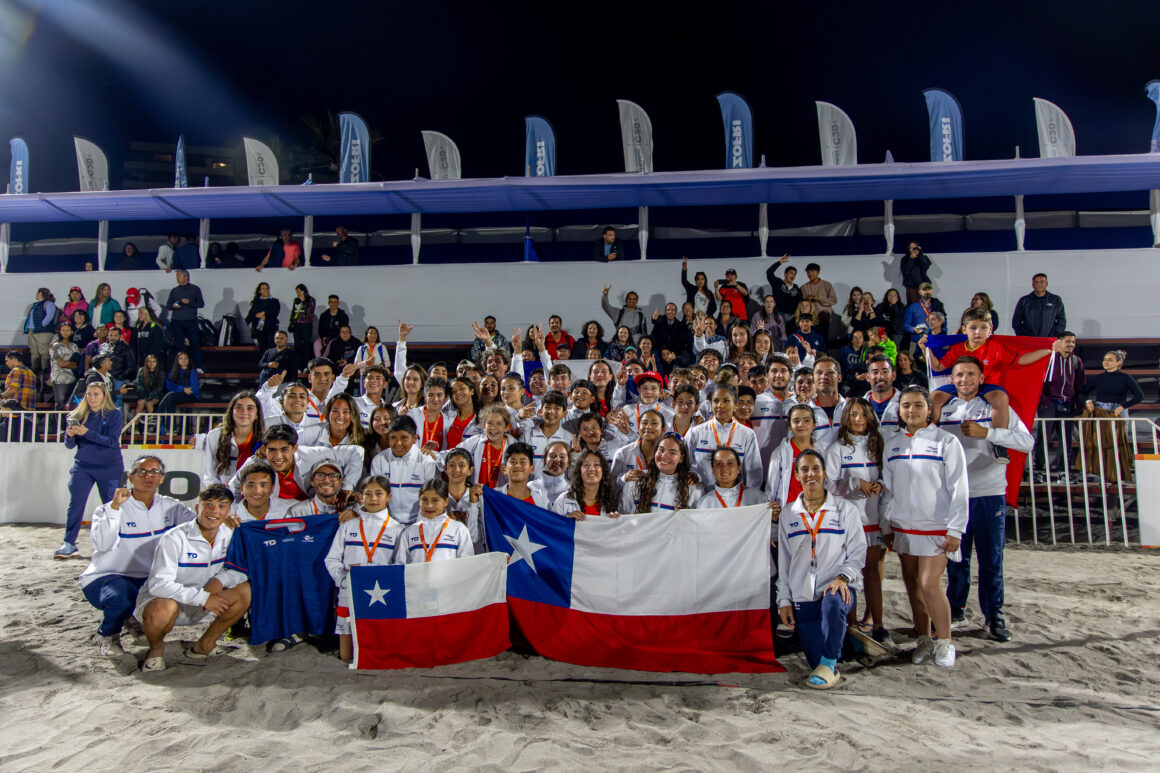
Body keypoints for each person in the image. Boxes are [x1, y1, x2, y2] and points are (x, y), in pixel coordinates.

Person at [938, 356, 1033, 642]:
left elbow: (1027, 443)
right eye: (959, 375)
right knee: (956, 557)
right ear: (952, 380)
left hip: (989, 493)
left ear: (981, 378)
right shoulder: (944, 408)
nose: (964, 379)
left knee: (991, 558)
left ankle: (994, 615)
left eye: (970, 374)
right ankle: (955, 610)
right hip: (954, 496)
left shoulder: (994, 407)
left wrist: (989, 432)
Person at [881, 386, 968, 670]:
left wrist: (955, 529)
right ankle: (924, 639)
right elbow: (888, 490)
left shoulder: (946, 442)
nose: (911, 411)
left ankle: (945, 641)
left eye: (918, 405)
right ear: (900, 410)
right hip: (904, 528)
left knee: (930, 584)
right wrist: (887, 524)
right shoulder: (893, 444)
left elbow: (959, 488)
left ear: (929, 408)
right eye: (906, 406)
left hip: (936, 528)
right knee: (913, 587)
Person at [76, 455, 196, 656]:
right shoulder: (109, 508)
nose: (148, 476)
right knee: (123, 596)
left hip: (148, 579)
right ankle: (107, 634)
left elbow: (200, 526)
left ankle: (129, 617)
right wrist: (114, 509)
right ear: (131, 478)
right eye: (141, 472)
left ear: (162, 478)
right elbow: (101, 544)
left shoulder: (172, 506)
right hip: (108, 578)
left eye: (154, 472)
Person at [135, 484, 251, 672]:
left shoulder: (230, 534)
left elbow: (240, 571)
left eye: (222, 506)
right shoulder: (174, 538)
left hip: (205, 603)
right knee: (165, 608)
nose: (215, 511)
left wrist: (220, 580)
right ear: (197, 507)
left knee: (246, 591)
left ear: (228, 511)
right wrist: (203, 597)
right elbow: (158, 584)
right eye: (209, 504)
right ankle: (155, 650)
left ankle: (204, 646)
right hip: (168, 603)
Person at [777, 450, 868, 688]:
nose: (811, 474)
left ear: (824, 472)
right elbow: (785, 561)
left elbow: (858, 552)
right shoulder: (788, 514)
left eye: (816, 468)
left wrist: (843, 578)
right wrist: (784, 599)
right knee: (814, 659)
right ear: (796, 475)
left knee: (833, 602)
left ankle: (830, 663)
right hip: (803, 592)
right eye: (804, 470)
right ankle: (848, 642)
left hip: (837, 585)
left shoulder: (845, 509)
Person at [824, 398, 891, 646]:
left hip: (873, 516)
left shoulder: (878, 446)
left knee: (872, 571)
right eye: (853, 414)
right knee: (848, 574)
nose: (858, 419)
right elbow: (828, 483)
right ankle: (851, 625)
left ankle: (879, 624)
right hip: (849, 519)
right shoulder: (837, 448)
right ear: (846, 418)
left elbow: (887, 476)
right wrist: (855, 483)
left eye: (863, 414)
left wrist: (879, 485)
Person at [325, 474, 400, 662]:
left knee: (379, 653)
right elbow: (332, 558)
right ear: (361, 496)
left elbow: (400, 565)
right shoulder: (347, 525)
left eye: (379, 493)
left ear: (389, 497)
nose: (373, 498)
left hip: (382, 594)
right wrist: (343, 580)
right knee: (346, 656)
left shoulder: (398, 529)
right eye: (368, 494)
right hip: (349, 591)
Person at [57, 381, 125, 559]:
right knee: (76, 504)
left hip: (109, 467)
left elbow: (112, 442)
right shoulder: (77, 415)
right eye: (89, 394)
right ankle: (68, 543)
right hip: (83, 466)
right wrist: (70, 435)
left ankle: (115, 544)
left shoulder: (114, 415)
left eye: (96, 394)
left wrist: (86, 432)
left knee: (112, 506)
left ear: (104, 396)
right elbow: (69, 445)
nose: (92, 397)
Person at [1079, 350, 1144, 483]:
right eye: (1105, 359)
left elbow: (1139, 396)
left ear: (1119, 363)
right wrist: (1088, 401)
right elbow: (1081, 393)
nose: (1106, 362)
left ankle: (1118, 474)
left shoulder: (1126, 377)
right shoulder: (1098, 378)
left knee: (1118, 442)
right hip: (1101, 410)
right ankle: (1102, 473)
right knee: (1101, 442)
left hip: (1117, 411)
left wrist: (1123, 406)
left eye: (1110, 360)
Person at [683, 385, 762, 488]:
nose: (720, 405)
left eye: (726, 401)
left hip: (736, 499)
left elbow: (754, 474)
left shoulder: (747, 434)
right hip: (701, 497)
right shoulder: (695, 432)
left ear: (736, 405)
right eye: (716, 401)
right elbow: (682, 465)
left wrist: (749, 499)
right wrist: (694, 473)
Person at [1034, 331, 1085, 484]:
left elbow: (1080, 386)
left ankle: (1063, 472)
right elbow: (1037, 381)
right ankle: (1038, 471)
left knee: (1066, 440)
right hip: (1048, 403)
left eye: (1073, 342)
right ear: (1059, 342)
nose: (1071, 345)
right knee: (1044, 437)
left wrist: (1078, 408)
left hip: (1067, 404)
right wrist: (1045, 401)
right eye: (1068, 341)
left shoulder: (1076, 361)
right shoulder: (1048, 359)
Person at [369, 415, 438, 522]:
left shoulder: (426, 461)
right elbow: (376, 497)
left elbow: (431, 499)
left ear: (415, 438)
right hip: (387, 524)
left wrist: (419, 525)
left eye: (404, 438)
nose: (398, 443)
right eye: (393, 438)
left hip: (419, 523)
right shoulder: (379, 460)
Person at [619, 432, 703, 513]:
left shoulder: (693, 489)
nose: (664, 456)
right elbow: (623, 518)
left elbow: (696, 523)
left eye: (672, 453)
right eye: (661, 450)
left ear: (681, 458)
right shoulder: (636, 481)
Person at [396, 479, 474, 563]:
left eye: (435, 500)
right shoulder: (410, 532)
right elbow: (401, 566)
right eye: (424, 499)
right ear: (419, 501)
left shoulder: (459, 529)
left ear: (446, 502)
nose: (429, 505)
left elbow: (466, 566)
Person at [203, 391, 264, 486]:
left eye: (250, 408)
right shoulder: (215, 436)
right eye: (238, 407)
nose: (244, 411)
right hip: (222, 495)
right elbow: (209, 474)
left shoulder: (264, 439)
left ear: (257, 415)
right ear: (232, 411)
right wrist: (220, 491)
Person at [552, 449, 621, 519]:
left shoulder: (611, 503)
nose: (591, 469)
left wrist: (616, 522)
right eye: (586, 465)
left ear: (603, 471)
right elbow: (551, 527)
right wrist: (567, 520)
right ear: (579, 471)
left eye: (596, 464)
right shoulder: (563, 500)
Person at [694, 447, 767, 509]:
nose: (724, 468)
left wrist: (774, 519)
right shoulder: (703, 504)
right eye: (719, 464)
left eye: (730, 463)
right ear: (713, 470)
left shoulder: (758, 498)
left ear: (738, 468)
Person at [166, 269, 205, 374]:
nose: (177, 278)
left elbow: (201, 304)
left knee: (194, 344)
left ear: (186, 277)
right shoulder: (174, 290)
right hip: (177, 321)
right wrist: (174, 306)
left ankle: (198, 366)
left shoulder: (195, 289)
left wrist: (190, 302)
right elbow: (168, 305)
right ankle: (178, 367)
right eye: (177, 276)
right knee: (179, 345)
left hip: (191, 321)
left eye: (179, 276)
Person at [1011, 273, 1066, 338]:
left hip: (1049, 340)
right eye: (1036, 282)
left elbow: (1061, 321)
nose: (1039, 284)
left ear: (1046, 284)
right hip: (1029, 341)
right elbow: (1016, 322)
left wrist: (1055, 336)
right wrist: (1023, 337)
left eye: (1042, 282)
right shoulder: (1024, 300)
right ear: (1032, 284)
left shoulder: (1055, 300)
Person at [23, 287, 58, 385]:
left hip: (43, 332)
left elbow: (49, 316)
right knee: (34, 352)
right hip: (33, 331)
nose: (36, 295)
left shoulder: (49, 304)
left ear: (40, 293)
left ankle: (44, 370)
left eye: (37, 293)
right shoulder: (35, 305)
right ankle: (35, 369)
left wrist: (43, 324)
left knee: (44, 352)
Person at [49, 322, 82, 410]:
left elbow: (77, 364)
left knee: (72, 403)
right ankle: (59, 423)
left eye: (67, 330)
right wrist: (71, 364)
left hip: (72, 378)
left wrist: (67, 363)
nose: (65, 332)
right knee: (60, 402)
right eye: (63, 330)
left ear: (71, 332)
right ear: (59, 331)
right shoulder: (56, 346)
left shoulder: (74, 346)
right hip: (59, 379)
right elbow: (60, 364)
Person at [800, 263, 837, 340]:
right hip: (809, 318)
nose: (810, 274)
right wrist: (807, 300)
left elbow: (834, 300)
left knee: (822, 339)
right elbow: (801, 303)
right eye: (808, 272)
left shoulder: (826, 285)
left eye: (813, 271)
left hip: (823, 317)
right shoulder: (803, 287)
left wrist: (819, 298)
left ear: (818, 272)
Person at [288, 284, 316, 376]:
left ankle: (306, 366)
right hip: (297, 325)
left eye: (300, 292)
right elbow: (293, 312)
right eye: (297, 292)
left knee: (306, 346)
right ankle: (299, 366)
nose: (298, 294)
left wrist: (304, 301)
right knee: (297, 346)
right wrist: (291, 322)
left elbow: (310, 312)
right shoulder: (296, 300)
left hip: (306, 325)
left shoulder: (311, 300)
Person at [246, 282, 281, 353]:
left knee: (271, 348)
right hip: (259, 329)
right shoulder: (256, 302)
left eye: (267, 288)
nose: (265, 290)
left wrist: (264, 313)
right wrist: (256, 315)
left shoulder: (274, 301)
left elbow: (274, 312)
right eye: (263, 289)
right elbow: (251, 314)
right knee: (262, 349)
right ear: (260, 291)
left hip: (271, 328)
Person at [133, 306, 167, 374]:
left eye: (141, 313)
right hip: (141, 359)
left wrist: (150, 358)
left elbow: (157, 344)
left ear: (147, 314)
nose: (139, 315)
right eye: (139, 313)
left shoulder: (154, 327)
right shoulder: (138, 326)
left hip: (152, 359)